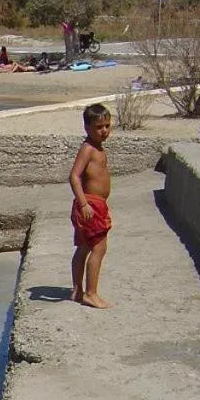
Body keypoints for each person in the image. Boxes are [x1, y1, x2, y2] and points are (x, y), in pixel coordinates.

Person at [68, 103, 114, 309]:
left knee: (84, 247)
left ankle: (77, 290)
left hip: (95, 204)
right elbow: (74, 176)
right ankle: (90, 293)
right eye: (99, 127)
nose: (104, 131)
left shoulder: (98, 148)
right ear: (87, 128)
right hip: (90, 205)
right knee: (99, 247)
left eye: (107, 126)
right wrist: (84, 203)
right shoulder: (87, 149)